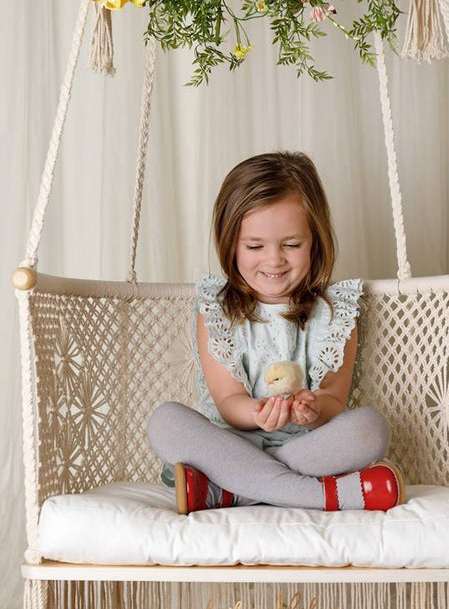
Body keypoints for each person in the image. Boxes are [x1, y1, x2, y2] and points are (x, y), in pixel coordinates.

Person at [148, 151, 405, 514]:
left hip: (307, 448)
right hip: (230, 443)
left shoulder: (337, 311)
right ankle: (323, 496)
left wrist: (313, 411)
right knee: (166, 421)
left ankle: (231, 491)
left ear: (315, 240)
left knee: (370, 428)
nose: (274, 260)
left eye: (291, 244)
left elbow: (334, 397)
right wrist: (256, 413)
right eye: (255, 246)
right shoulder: (217, 309)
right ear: (230, 243)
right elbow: (226, 399)